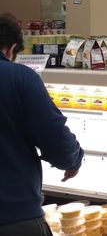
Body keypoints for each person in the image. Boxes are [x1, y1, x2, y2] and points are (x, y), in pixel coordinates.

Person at [0, 14, 84, 236]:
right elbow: (53, 135)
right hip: (14, 215)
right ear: (11, 48)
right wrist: (73, 159)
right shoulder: (19, 77)